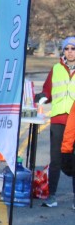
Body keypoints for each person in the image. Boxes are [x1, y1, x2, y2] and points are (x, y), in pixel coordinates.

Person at [38, 36, 75, 207]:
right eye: (67, 48)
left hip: (74, 121)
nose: (70, 52)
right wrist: (42, 96)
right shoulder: (56, 69)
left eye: (73, 48)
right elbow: (48, 91)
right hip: (59, 119)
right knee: (56, 159)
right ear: (63, 51)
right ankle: (51, 196)